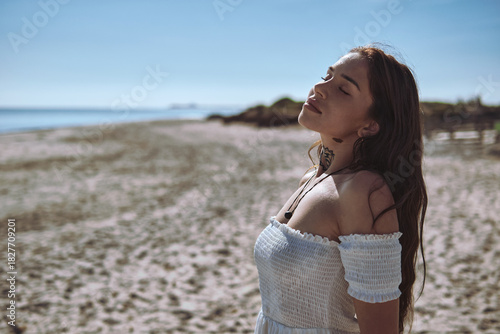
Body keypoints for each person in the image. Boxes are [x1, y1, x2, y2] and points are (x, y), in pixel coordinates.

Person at [253, 45, 428, 334]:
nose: (319, 88)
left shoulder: (364, 193)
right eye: (327, 76)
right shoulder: (311, 178)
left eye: (344, 90)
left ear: (371, 125)